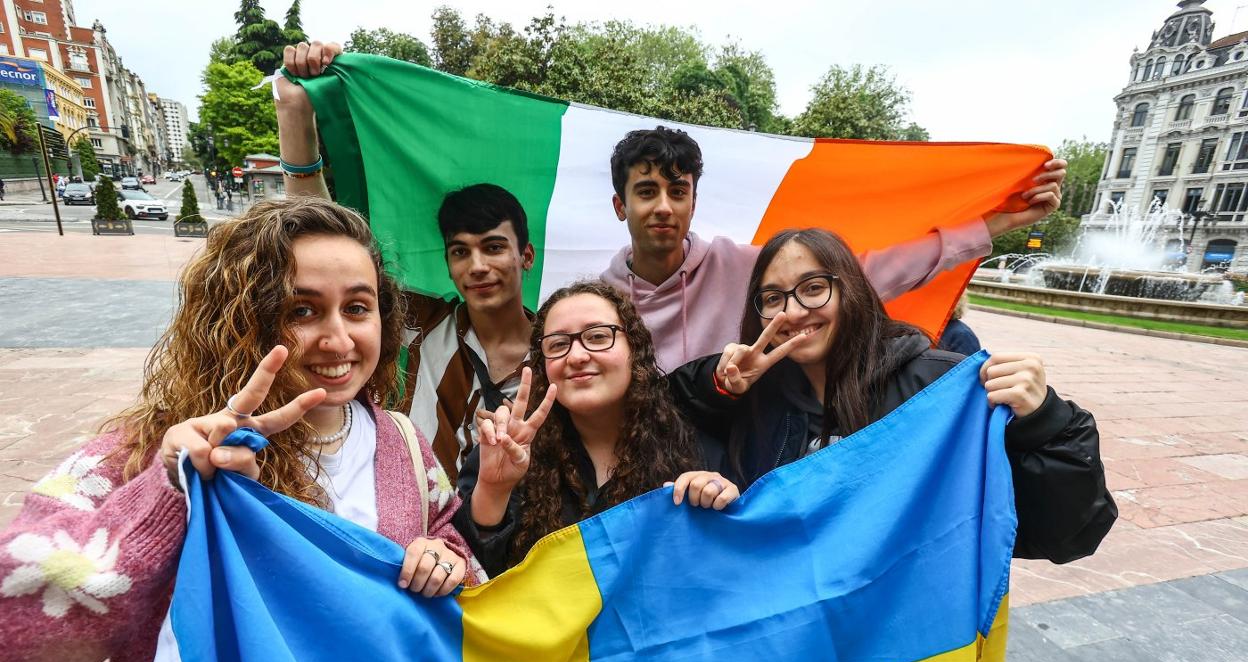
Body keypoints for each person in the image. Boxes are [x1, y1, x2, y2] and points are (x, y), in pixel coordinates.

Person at [0, 197, 481, 662]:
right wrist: (165, 497)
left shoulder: (403, 444)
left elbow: (451, 545)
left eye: (357, 308)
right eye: (301, 310)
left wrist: (446, 559)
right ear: (241, 320)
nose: (338, 339)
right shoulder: (144, 452)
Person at [669, 228, 1117, 564]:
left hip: (893, 645)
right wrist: (719, 382)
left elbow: (1069, 533)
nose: (792, 311)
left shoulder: (941, 387)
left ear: (852, 290)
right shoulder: (754, 396)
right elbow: (660, 411)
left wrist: (1046, 420)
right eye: (773, 297)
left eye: (813, 288)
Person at [601, 126, 1071, 370]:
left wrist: (995, 223)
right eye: (646, 191)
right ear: (621, 205)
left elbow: (868, 273)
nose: (663, 206)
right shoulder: (600, 301)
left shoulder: (746, 267)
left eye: (677, 191)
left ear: (693, 202)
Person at [276, 47, 536, 483]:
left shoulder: (560, 354)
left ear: (525, 256)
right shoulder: (417, 320)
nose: (476, 266)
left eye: (493, 248)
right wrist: (294, 114)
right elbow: (321, 255)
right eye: (460, 251)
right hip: (403, 525)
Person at [455, 281, 739, 575]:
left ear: (635, 348)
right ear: (543, 365)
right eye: (559, 344)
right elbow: (469, 582)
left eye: (598, 336)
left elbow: (729, 574)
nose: (577, 356)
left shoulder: (695, 449)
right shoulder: (505, 451)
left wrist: (725, 509)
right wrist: (492, 490)